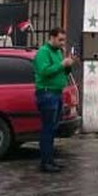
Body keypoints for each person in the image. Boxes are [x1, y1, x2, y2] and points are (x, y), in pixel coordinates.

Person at [33, 27, 75, 173]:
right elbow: (44, 71)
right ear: (52, 37)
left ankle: (50, 160)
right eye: (60, 40)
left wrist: (68, 66)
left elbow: (62, 72)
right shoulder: (43, 52)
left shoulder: (58, 52)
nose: (62, 43)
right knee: (47, 128)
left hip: (57, 93)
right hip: (47, 93)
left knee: (53, 128)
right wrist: (61, 64)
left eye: (64, 40)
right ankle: (45, 162)